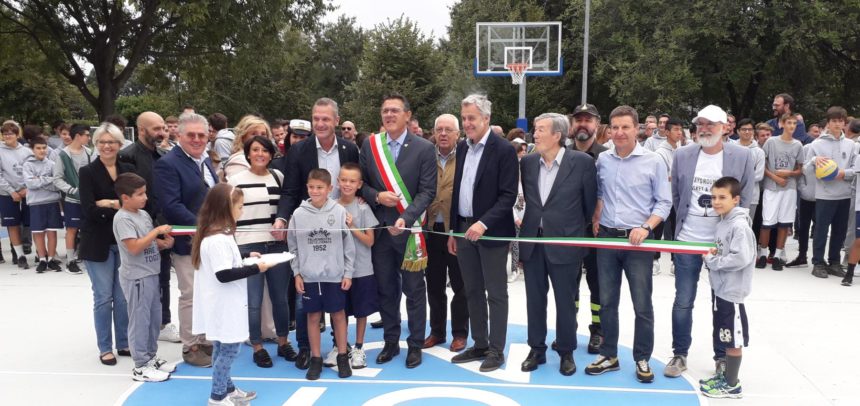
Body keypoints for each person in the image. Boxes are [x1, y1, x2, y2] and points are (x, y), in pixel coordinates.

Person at [666, 105, 754, 379]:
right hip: (688, 241)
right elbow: (678, 197)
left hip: (723, 247)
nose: (704, 128)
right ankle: (680, 354)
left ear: (725, 127)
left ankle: (721, 357)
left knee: (723, 304)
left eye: (711, 124)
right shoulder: (682, 154)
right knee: (683, 300)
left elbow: (747, 197)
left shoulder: (742, 156)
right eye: (700, 123)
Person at [585, 105, 671, 383]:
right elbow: (599, 192)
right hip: (607, 239)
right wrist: (597, 215)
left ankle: (642, 357)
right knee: (607, 303)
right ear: (609, 130)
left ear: (637, 129)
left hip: (638, 244)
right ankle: (609, 354)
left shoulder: (654, 161)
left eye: (625, 127)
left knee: (641, 304)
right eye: (615, 127)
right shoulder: (604, 160)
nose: (620, 133)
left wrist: (646, 228)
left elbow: (664, 202)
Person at [273, 99, 360, 369]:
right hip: (309, 230)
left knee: (338, 299)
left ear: (336, 120)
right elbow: (289, 191)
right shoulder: (299, 150)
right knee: (305, 301)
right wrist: (281, 218)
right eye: (316, 118)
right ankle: (306, 350)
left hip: (339, 225)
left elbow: (357, 180)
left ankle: (339, 348)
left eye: (325, 119)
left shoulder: (349, 148)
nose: (320, 124)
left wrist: (365, 200)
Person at [359, 93, 436, 368]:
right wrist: (377, 196)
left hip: (410, 232)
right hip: (380, 232)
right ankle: (391, 341)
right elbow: (362, 185)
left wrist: (406, 217)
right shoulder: (370, 145)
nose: (389, 115)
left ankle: (415, 344)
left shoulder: (425, 148)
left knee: (415, 291)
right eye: (385, 111)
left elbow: (428, 191)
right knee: (386, 289)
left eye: (394, 111)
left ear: (407, 115)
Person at [518, 113, 596, 375]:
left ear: (557, 136)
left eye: (540, 130)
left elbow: (587, 206)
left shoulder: (582, 163)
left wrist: (568, 229)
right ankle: (536, 349)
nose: (535, 134)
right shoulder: (528, 162)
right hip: (533, 242)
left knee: (565, 301)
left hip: (565, 242)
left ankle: (566, 351)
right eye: (535, 130)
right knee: (534, 300)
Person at [448, 94, 517, 372]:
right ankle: (479, 344)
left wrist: (483, 223)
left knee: (496, 293)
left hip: (490, 233)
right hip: (464, 231)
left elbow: (508, 195)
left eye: (471, 118)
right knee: (471, 290)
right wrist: (455, 230)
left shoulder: (504, 150)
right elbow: (457, 192)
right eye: (464, 118)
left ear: (486, 119)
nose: (467, 123)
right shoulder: (463, 148)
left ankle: (496, 350)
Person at [153, 112, 219, 367]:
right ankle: (191, 345)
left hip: (212, 239)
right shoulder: (168, 164)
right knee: (190, 293)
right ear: (178, 135)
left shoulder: (204, 160)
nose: (196, 139)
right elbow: (171, 205)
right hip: (188, 242)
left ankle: (206, 340)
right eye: (191, 135)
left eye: (201, 135)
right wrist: (203, 227)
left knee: (208, 292)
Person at [191, 183, 265, 406]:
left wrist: (244, 256)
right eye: (240, 206)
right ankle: (217, 397)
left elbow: (226, 262)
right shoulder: (217, 240)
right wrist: (256, 268)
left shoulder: (218, 235)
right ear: (226, 208)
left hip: (223, 303)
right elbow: (224, 274)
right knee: (230, 350)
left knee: (222, 347)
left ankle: (227, 388)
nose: (242, 211)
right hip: (224, 305)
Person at [227, 136, 296, 368]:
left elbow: (285, 209)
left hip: (276, 246)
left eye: (265, 150)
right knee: (254, 301)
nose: (260, 154)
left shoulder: (279, 177)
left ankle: (284, 342)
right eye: (255, 150)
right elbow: (229, 214)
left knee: (280, 299)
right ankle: (257, 346)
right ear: (247, 153)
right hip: (248, 247)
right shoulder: (234, 180)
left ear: (271, 154)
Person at [119, 112, 182, 344]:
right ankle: (140, 329)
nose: (162, 132)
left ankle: (163, 322)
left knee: (163, 277)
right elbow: (130, 194)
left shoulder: (164, 155)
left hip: (162, 223)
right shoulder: (127, 156)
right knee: (142, 282)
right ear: (141, 130)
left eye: (163, 128)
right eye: (156, 128)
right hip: (140, 227)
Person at [288, 168, 356, 380]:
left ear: (329, 188)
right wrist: (297, 273)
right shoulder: (298, 215)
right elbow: (293, 246)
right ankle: (316, 358)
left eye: (320, 187)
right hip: (309, 276)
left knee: (338, 315)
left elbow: (348, 245)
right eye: (311, 187)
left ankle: (343, 356)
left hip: (334, 275)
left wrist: (348, 273)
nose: (315, 191)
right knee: (313, 317)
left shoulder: (338, 212)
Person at [79, 122, 135, 366]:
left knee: (122, 297)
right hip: (97, 242)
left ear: (119, 144)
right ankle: (105, 347)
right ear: (96, 144)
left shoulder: (128, 170)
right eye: (102, 141)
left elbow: (136, 204)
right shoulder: (87, 172)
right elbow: (89, 210)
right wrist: (120, 206)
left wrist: (111, 204)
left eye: (111, 141)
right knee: (103, 297)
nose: (106, 146)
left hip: (123, 241)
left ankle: (123, 342)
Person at [112, 173, 176, 382]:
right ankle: (140, 365)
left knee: (153, 319)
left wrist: (163, 243)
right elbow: (133, 247)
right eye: (139, 194)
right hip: (137, 277)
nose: (145, 197)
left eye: (145, 192)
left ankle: (150, 357)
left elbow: (147, 243)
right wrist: (156, 231)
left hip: (151, 273)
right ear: (125, 197)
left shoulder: (143, 215)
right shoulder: (122, 218)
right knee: (140, 321)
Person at [699, 176, 754, 399]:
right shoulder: (723, 222)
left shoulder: (739, 226)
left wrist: (713, 262)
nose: (716, 201)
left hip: (732, 293)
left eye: (722, 197)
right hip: (720, 289)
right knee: (724, 335)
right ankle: (727, 377)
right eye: (713, 197)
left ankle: (732, 385)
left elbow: (741, 258)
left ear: (736, 199)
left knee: (732, 339)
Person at [423, 114, 469, 353]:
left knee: (460, 285)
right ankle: (437, 331)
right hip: (431, 230)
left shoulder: (466, 156)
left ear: (457, 134)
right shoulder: (425, 157)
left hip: (457, 230)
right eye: (439, 129)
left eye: (448, 130)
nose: (443, 133)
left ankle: (460, 333)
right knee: (434, 283)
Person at [568, 103, 607, 354]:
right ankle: (567, 328)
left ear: (597, 124)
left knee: (597, 284)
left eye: (588, 120)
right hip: (569, 230)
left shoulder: (607, 156)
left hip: (596, 231)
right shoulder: (561, 154)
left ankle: (598, 331)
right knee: (569, 284)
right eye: (578, 119)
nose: (583, 124)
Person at [805, 106, 856, 279]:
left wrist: (842, 173)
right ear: (828, 123)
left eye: (840, 121)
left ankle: (834, 262)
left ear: (844, 123)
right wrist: (814, 160)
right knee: (821, 229)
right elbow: (806, 169)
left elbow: (855, 169)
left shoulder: (851, 145)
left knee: (839, 231)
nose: (837, 124)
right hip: (825, 195)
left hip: (844, 194)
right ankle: (818, 262)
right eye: (833, 120)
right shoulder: (817, 144)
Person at [336, 162, 379, 368]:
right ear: (337, 181)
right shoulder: (330, 206)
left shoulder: (363, 207)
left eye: (352, 181)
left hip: (361, 269)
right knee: (339, 311)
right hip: (337, 271)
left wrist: (352, 225)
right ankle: (340, 348)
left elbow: (370, 241)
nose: (347, 184)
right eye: (343, 180)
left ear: (359, 184)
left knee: (361, 311)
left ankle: (359, 347)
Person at [756, 113, 804, 270]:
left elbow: (800, 169)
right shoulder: (771, 142)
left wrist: (789, 174)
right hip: (772, 187)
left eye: (794, 124)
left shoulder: (798, 145)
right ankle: (763, 254)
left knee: (784, 223)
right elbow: (763, 165)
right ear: (782, 124)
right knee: (767, 223)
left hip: (789, 189)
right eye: (788, 123)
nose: (791, 126)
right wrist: (776, 178)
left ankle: (777, 255)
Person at [53, 124, 92, 274]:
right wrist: (72, 190)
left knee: (88, 228)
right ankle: (70, 261)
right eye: (87, 135)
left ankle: (86, 256)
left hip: (88, 199)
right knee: (72, 229)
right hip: (72, 200)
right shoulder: (63, 155)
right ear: (78, 136)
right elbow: (57, 178)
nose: (89, 138)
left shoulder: (89, 152)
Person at [23, 136, 64, 273]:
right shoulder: (28, 165)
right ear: (32, 150)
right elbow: (30, 184)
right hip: (36, 203)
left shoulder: (52, 164)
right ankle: (42, 259)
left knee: (52, 232)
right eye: (38, 148)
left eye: (44, 147)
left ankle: (51, 259)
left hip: (52, 202)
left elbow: (57, 185)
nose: (42, 150)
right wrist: (48, 180)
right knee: (38, 233)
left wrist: (39, 180)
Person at [651, 117, 685, 275]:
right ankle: (654, 260)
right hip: (663, 196)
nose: (679, 133)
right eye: (676, 129)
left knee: (676, 230)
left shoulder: (681, 150)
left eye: (681, 129)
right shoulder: (660, 153)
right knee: (658, 230)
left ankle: (675, 261)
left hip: (678, 196)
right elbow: (663, 176)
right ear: (666, 132)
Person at [0, 121, 34, 269]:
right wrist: (11, 191)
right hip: (7, 193)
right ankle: (19, 255)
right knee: (12, 224)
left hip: (27, 192)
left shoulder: (27, 151)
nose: (8, 136)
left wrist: (27, 188)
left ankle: (36, 252)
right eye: (5, 133)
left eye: (11, 133)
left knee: (28, 223)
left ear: (17, 135)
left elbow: (32, 170)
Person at [222, 115, 271, 180]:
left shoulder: (268, 159)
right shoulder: (238, 161)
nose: (260, 138)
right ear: (243, 137)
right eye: (254, 134)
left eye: (263, 134)